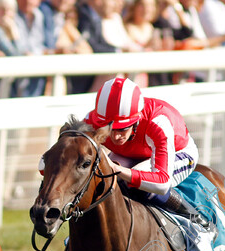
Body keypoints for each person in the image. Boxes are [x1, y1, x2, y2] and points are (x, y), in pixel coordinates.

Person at [85, 76, 202, 221]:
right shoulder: (93, 120)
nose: (115, 137)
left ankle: (195, 219)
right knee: (103, 178)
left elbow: (161, 183)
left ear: (136, 120)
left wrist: (117, 169)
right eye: (109, 129)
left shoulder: (158, 123)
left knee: (134, 183)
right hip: (134, 152)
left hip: (180, 153)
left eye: (122, 129)